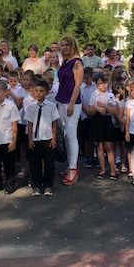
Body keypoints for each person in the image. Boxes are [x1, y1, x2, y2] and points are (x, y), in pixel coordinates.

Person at [56, 36, 84, 185]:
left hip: (72, 102)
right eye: (62, 45)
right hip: (61, 100)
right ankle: (71, 164)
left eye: (67, 45)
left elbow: (78, 84)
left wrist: (72, 103)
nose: (64, 47)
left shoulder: (77, 62)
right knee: (65, 134)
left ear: (72, 45)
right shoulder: (65, 61)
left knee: (72, 134)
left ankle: (73, 169)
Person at [25, 80, 60, 196]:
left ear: (47, 92)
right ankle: (36, 185)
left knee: (49, 163)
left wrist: (54, 139)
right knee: (35, 163)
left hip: (47, 138)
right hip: (35, 139)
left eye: (41, 91)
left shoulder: (51, 106)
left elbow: (54, 124)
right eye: (36, 91)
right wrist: (30, 139)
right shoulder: (31, 107)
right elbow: (30, 124)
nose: (38, 93)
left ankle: (48, 185)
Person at [89, 72, 119, 180]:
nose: (103, 86)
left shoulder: (111, 95)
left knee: (109, 146)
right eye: (100, 83)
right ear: (96, 84)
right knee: (100, 146)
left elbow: (114, 112)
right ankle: (102, 169)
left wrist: (104, 106)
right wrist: (97, 108)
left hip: (107, 121)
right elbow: (90, 111)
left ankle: (112, 170)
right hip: (97, 121)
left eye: (105, 83)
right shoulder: (94, 95)